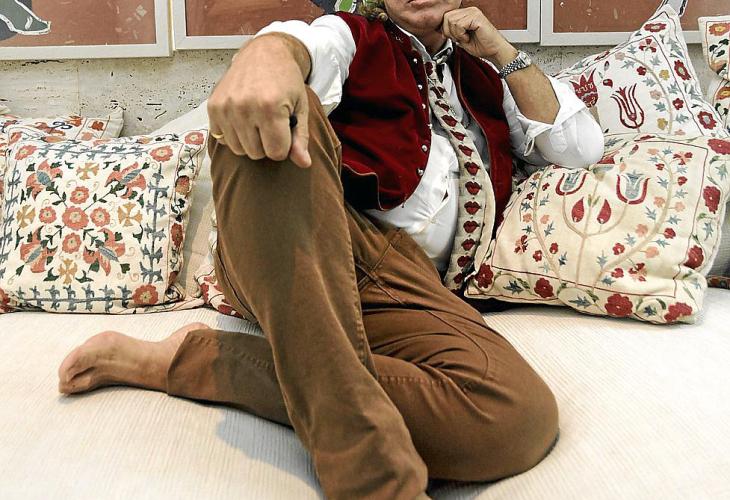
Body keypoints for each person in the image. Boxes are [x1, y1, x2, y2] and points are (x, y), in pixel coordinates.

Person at [57, 1, 604, 498]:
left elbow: (578, 150)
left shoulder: (486, 74)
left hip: (408, 287)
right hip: (302, 242)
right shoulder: (356, 36)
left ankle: (200, 360)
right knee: (277, 111)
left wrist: (501, 51)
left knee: (517, 417)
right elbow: (308, 46)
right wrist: (269, 54)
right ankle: (372, 478)